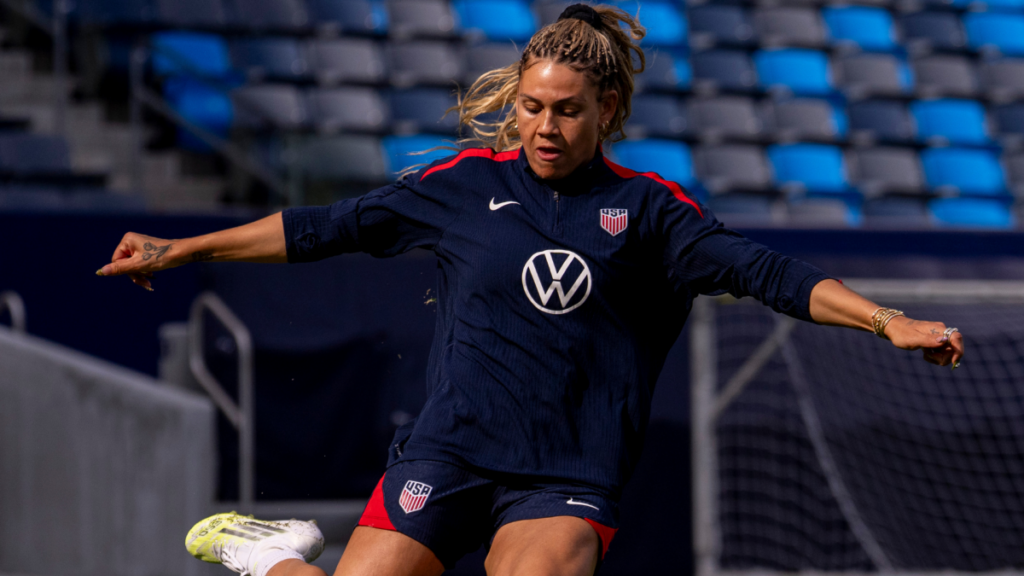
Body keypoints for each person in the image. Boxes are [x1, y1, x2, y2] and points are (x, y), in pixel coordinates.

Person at [97, 4, 966, 576]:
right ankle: (271, 553)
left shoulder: (652, 212)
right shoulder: (463, 185)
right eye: (532, 106)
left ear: (608, 109)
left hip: (566, 477)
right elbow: (325, 228)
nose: (545, 126)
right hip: (447, 452)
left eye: (567, 110)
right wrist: (180, 249)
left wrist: (885, 320)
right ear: (515, 102)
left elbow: (768, 274)